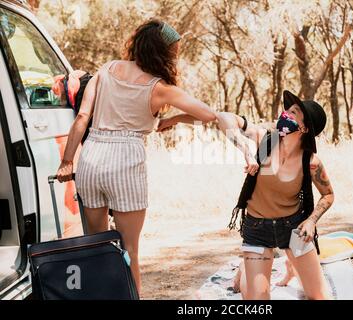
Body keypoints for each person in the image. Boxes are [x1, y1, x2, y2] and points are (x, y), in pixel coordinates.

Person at [56, 19, 216, 295]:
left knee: (97, 245)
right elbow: (209, 115)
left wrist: (67, 161)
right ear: (162, 53)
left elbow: (83, 116)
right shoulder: (159, 88)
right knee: (130, 250)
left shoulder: (106, 70)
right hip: (126, 161)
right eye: (174, 52)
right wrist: (175, 118)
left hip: (92, 157)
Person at [214, 90, 335, 300]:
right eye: (287, 108)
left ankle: (290, 260)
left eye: (294, 111)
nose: (285, 113)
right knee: (258, 302)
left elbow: (328, 195)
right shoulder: (265, 140)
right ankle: (246, 270)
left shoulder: (311, 162)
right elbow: (223, 118)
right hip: (257, 228)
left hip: (294, 228)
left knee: (320, 297)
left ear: (304, 128)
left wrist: (311, 221)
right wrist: (244, 150)